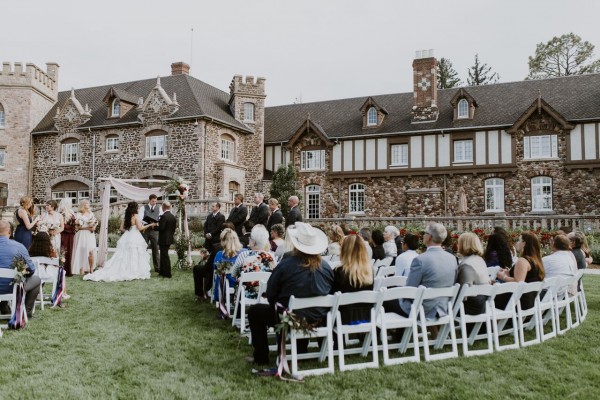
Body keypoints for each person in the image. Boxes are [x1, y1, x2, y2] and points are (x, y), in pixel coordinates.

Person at [246, 222, 334, 365]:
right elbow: (331, 291)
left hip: (290, 317)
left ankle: (261, 357)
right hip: (318, 316)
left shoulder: (286, 265)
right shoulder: (326, 267)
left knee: (255, 312)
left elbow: (271, 293)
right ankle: (301, 349)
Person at [392, 223, 457, 319]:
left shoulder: (420, 260)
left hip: (423, 309)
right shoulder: (452, 258)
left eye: (425, 233)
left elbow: (410, 290)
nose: (423, 235)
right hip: (444, 307)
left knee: (386, 301)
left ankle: (401, 333)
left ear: (430, 237)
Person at [84, 202, 156, 282]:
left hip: (127, 235)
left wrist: (128, 229)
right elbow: (140, 228)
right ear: (135, 208)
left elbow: (121, 228)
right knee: (135, 253)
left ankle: (125, 269)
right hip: (134, 235)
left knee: (124, 253)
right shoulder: (135, 216)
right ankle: (133, 270)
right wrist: (150, 225)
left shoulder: (126, 217)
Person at [0, 220, 41, 318]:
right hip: (12, 287)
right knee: (36, 280)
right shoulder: (18, 246)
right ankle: (25, 312)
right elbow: (31, 270)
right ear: (9, 231)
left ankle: (4, 307)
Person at [331, 234, 374, 324]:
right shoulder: (370, 271)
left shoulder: (338, 271)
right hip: (366, 315)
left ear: (344, 250)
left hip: (343, 317)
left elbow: (332, 296)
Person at [496, 232, 545, 310]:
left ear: (524, 244)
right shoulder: (537, 261)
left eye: (519, 240)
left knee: (489, 298)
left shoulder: (523, 260)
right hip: (530, 301)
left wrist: (503, 276)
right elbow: (527, 277)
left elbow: (518, 282)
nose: (517, 243)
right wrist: (510, 272)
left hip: (518, 301)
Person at [456, 232, 490, 316]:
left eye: (458, 242)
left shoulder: (466, 265)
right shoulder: (480, 260)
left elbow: (462, 294)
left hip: (472, 306)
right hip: (484, 302)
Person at [209, 228, 245, 302]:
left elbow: (215, 269)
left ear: (223, 241)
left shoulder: (219, 255)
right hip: (244, 285)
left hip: (227, 286)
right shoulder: (245, 253)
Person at [71, 199, 98, 276]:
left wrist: (92, 227)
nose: (89, 204)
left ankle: (91, 269)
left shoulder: (91, 214)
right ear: (83, 205)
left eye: (89, 203)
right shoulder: (78, 215)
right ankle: (82, 268)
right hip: (81, 235)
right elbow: (76, 228)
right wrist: (87, 228)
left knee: (91, 252)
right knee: (82, 252)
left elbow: (94, 227)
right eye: (87, 203)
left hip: (90, 235)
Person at [157, 201, 177, 278]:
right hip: (169, 238)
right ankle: (162, 272)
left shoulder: (164, 216)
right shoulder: (172, 216)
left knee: (164, 256)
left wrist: (154, 226)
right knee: (163, 255)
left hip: (164, 238)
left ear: (163, 207)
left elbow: (161, 228)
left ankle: (168, 273)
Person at [142, 194, 160, 273]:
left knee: (155, 249)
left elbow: (161, 219)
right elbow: (140, 219)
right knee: (143, 249)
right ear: (149, 200)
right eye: (153, 201)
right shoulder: (143, 208)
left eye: (156, 201)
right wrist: (148, 222)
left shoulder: (159, 208)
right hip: (145, 230)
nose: (154, 203)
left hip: (154, 231)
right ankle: (143, 267)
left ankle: (157, 268)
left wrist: (156, 224)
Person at [58, 197, 76, 277]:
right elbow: (62, 225)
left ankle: (68, 269)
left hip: (71, 235)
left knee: (70, 251)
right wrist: (71, 227)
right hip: (64, 234)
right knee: (63, 250)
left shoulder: (71, 212)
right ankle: (62, 269)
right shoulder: (61, 213)